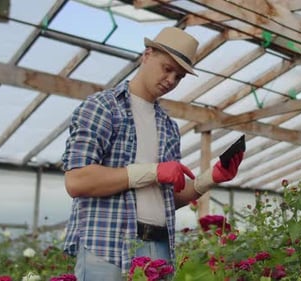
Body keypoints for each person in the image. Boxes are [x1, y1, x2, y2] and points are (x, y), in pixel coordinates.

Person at [62, 27, 244, 280]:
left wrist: (211, 177)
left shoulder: (168, 126)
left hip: (158, 248)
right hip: (107, 246)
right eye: (167, 68)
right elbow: (77, 181)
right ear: (146, 55)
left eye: (179, 76)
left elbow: (167, 200)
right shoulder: (103, 107)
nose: (171, 80)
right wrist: (154, 171)